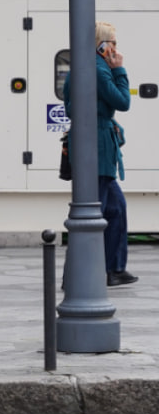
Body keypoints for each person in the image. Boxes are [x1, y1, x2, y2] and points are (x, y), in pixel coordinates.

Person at [63, 22, 136, 286]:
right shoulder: (100, 69)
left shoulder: (80, 68)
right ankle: (91, 271)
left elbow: (69, 105)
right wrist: (120, 70)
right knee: (96, 208)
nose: (116, 47)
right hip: (99, 145)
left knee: (114, 207)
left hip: (89, 140)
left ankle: (113, 268)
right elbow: (123, 102)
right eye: (112, 42)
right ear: (102, 44)